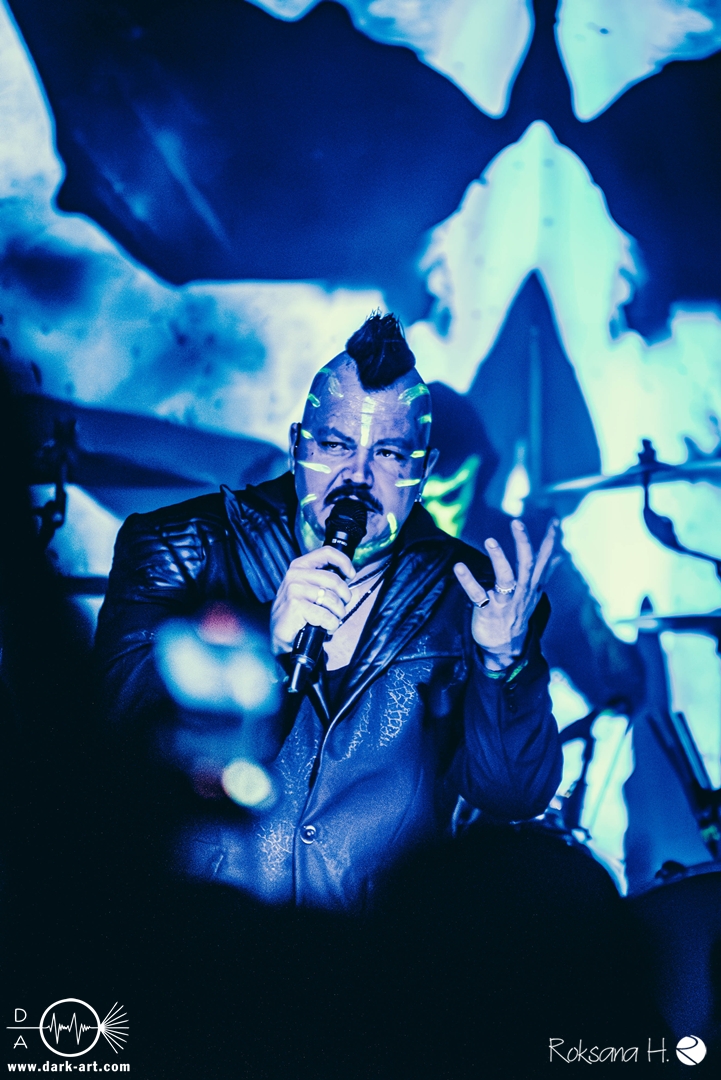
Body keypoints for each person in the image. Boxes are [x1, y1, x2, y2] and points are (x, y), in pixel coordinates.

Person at [95, 312, 562, 912]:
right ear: (298, 446)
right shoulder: (182, 547)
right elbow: (112, 733)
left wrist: (504, 665)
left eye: (389, 453)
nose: (357, 477)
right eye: (336, 445)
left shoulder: (469, 593)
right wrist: (264, 644)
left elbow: (515, 795)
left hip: (368, 951)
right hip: (204, 933)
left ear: (422, 470)